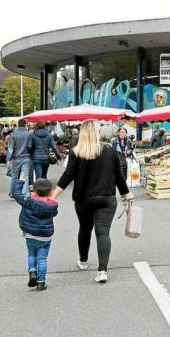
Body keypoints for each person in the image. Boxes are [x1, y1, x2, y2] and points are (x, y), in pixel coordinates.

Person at [52, 120, 134, 284]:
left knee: (84, 228)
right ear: (97, 133)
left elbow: (67, 176)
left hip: (83, 199)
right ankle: (102, 271)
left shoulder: (76, 152)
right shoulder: (110, 150)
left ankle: (83, 260)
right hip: (106, 198)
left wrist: (53, 197)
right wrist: (126, 193)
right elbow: (118, 175)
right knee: (103, 232)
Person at [12, 175, 58, 291]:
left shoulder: (28, 201)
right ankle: (41, 283)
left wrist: (21, 181)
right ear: (50, 192)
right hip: (45, 237)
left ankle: (32, 271)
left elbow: (17, 195)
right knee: (42, 259)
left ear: (34, 190)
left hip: (30, 235)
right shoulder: (52, 205)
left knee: (31, 254)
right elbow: (55, 214)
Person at [8, 118, 32, 198]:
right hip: (26, 158)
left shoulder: (13, 134)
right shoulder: (29, 134)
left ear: (18, 125)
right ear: (25, 124)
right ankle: (24, 194)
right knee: (24, 176)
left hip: (16, 158)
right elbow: (30, 146)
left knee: (14, 176)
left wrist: (8, 160)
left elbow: (10, 149)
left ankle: (12, 193)